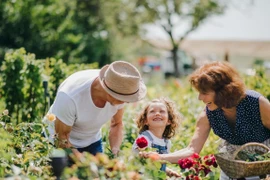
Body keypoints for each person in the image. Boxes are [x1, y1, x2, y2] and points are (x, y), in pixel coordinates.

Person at [140, 61, 270, 180]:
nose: (199, 97)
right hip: (231, 166)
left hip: (261, 165)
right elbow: (192, 150)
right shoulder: (208, 113)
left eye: (204, 92)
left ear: (223, 91)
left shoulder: (256, 103)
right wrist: (160, 157)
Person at [46, 60, 147, 156]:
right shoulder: (70, 96)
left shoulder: (121, 84)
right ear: (109, 92)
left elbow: (116, 124)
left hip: (91, 141)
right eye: (124, 98)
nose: (127, 102)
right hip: (57, 142)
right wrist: (86, 162)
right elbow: (62, 139)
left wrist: (115, 150)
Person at [132, 98, 181, 177]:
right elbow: (135, 162)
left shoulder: (167, 142)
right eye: (152, 111)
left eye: (162, 111)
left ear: (169, 120)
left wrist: (168, 171)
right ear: (145, 121)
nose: (157, 113)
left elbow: (159, 165)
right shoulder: (144, 139)